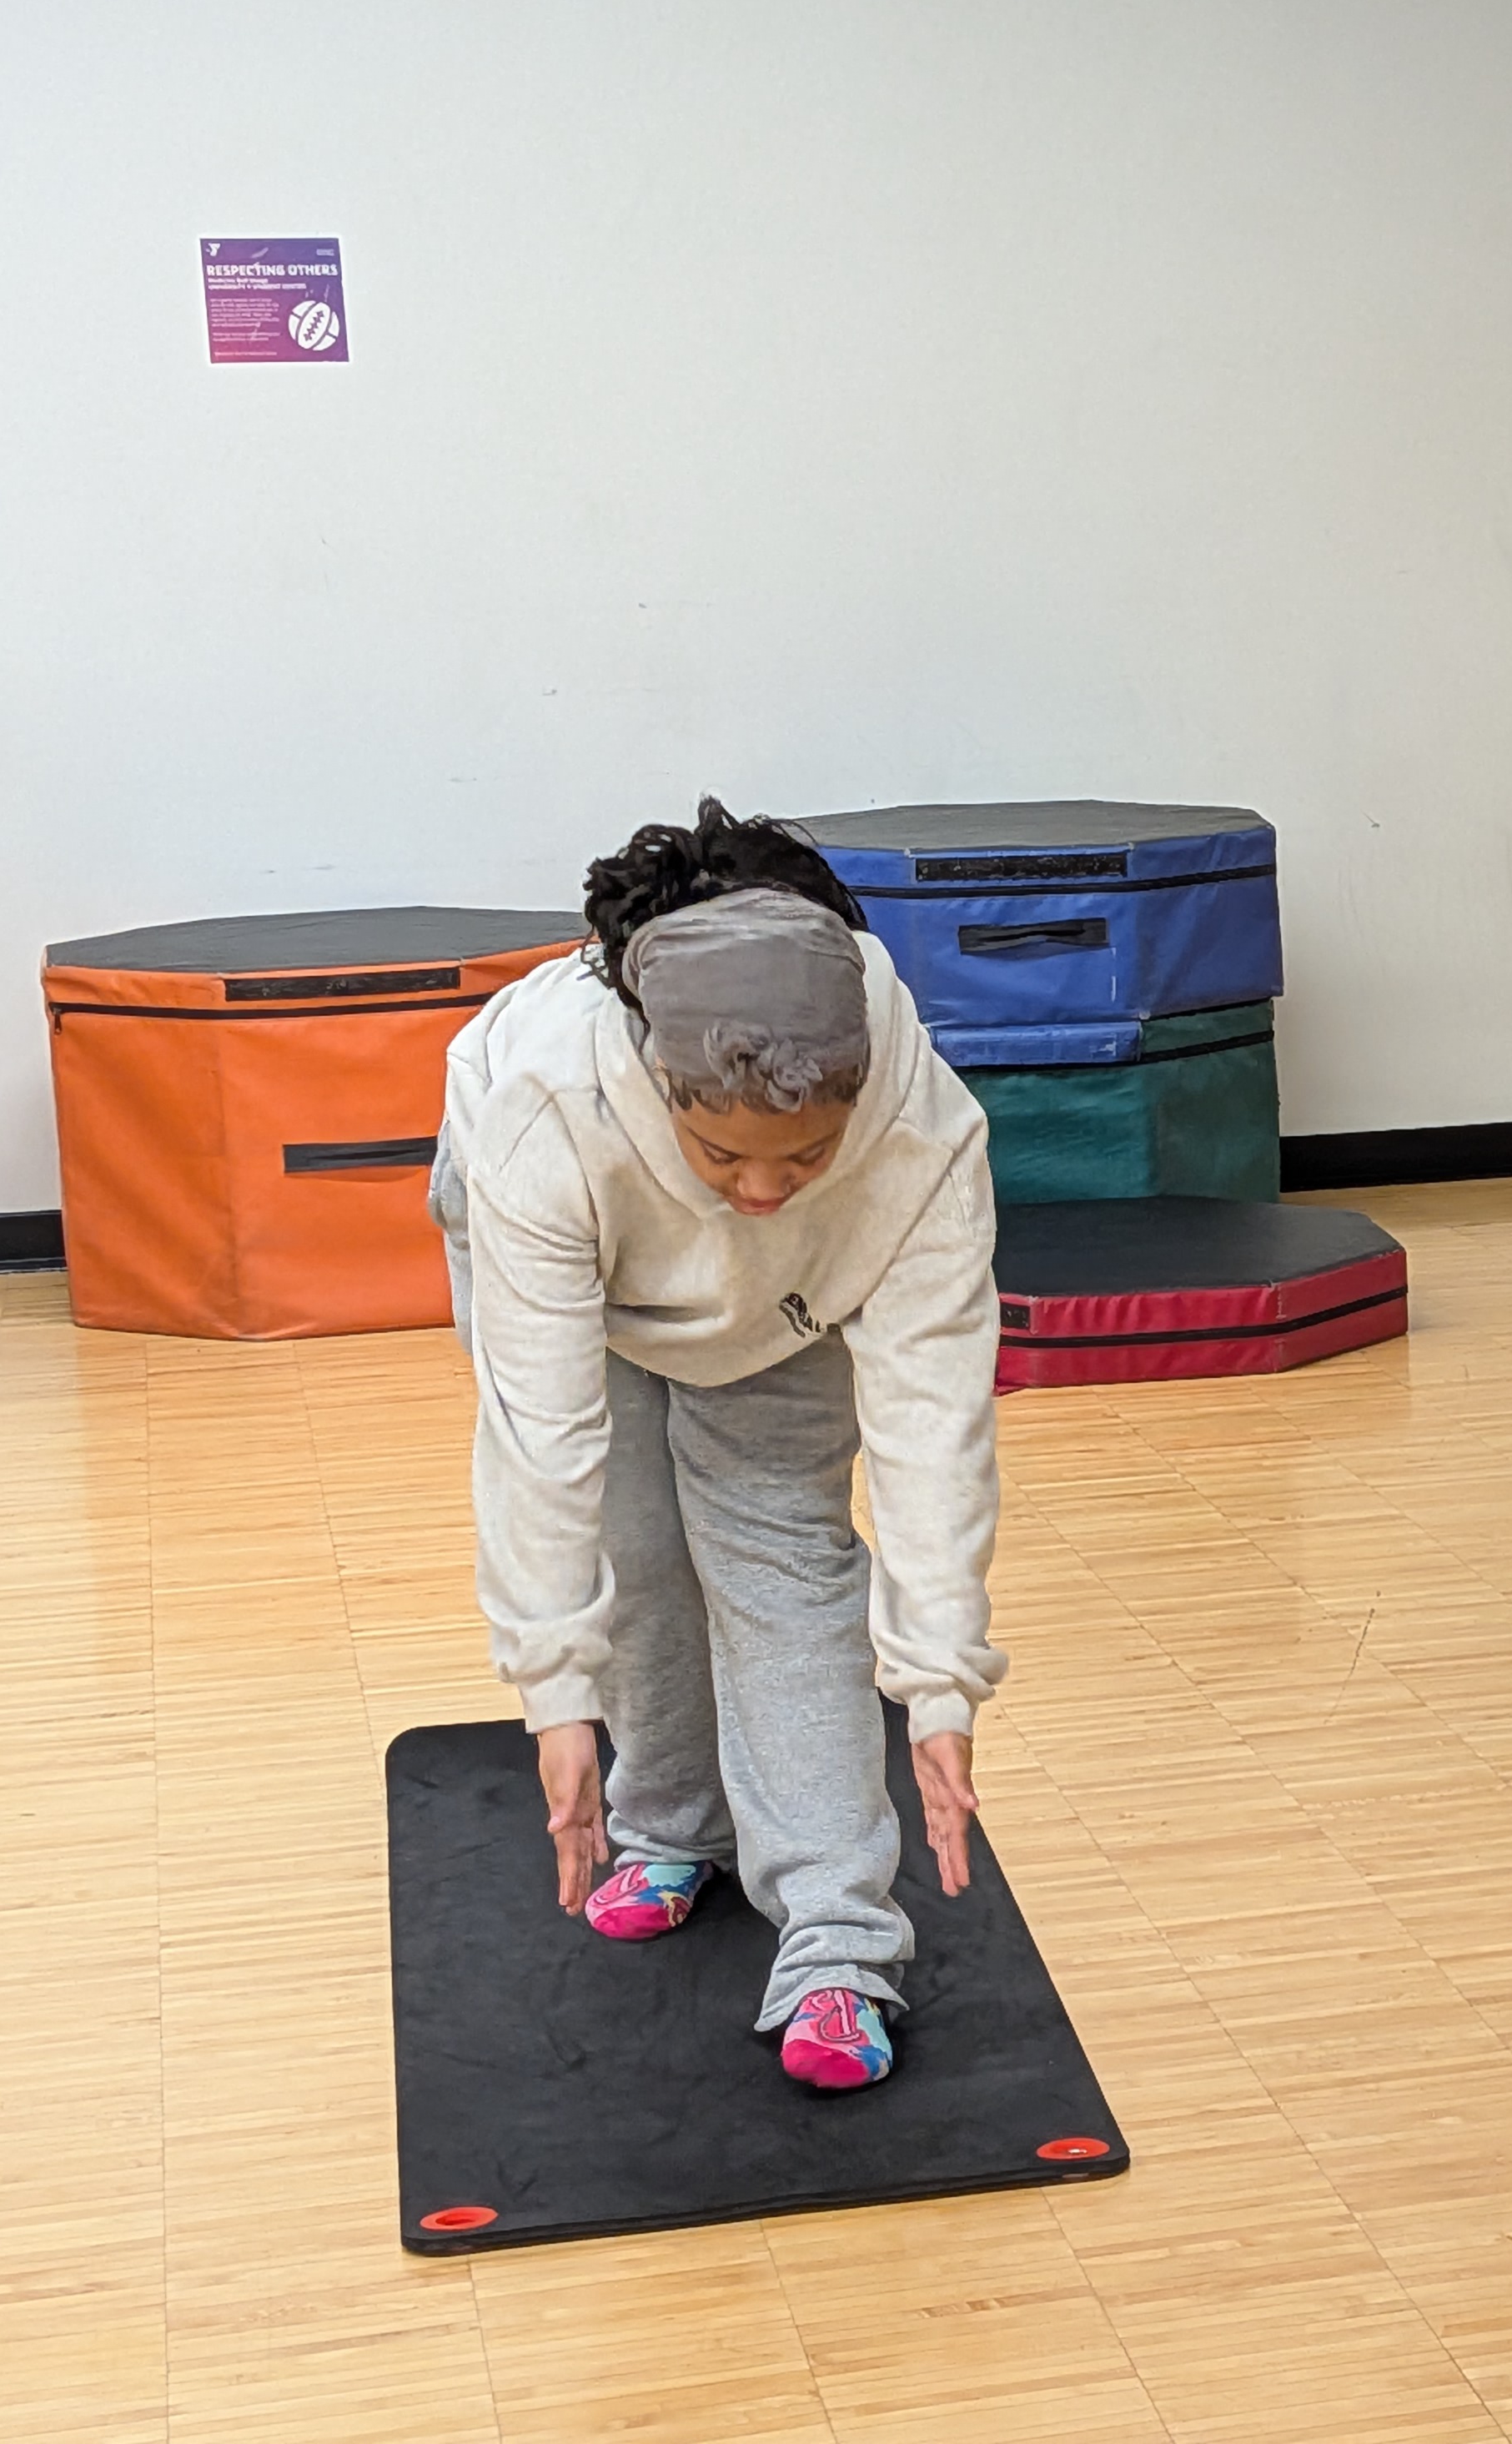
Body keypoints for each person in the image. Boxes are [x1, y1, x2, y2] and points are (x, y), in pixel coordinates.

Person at [432, 800, 1007, 2090]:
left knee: (781, 1554)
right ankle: (671, 1821)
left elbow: (933, 1428)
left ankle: (841, 1941)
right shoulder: (546, 1110)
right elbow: (541, 1444)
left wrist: (938, 1679)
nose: (758, 1189)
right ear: (657, 1079)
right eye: (723, 1155)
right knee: (633, 1539)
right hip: (579, 1262)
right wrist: (555, 1692)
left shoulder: (919, 1138)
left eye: (804, 1154)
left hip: (794, 1297)